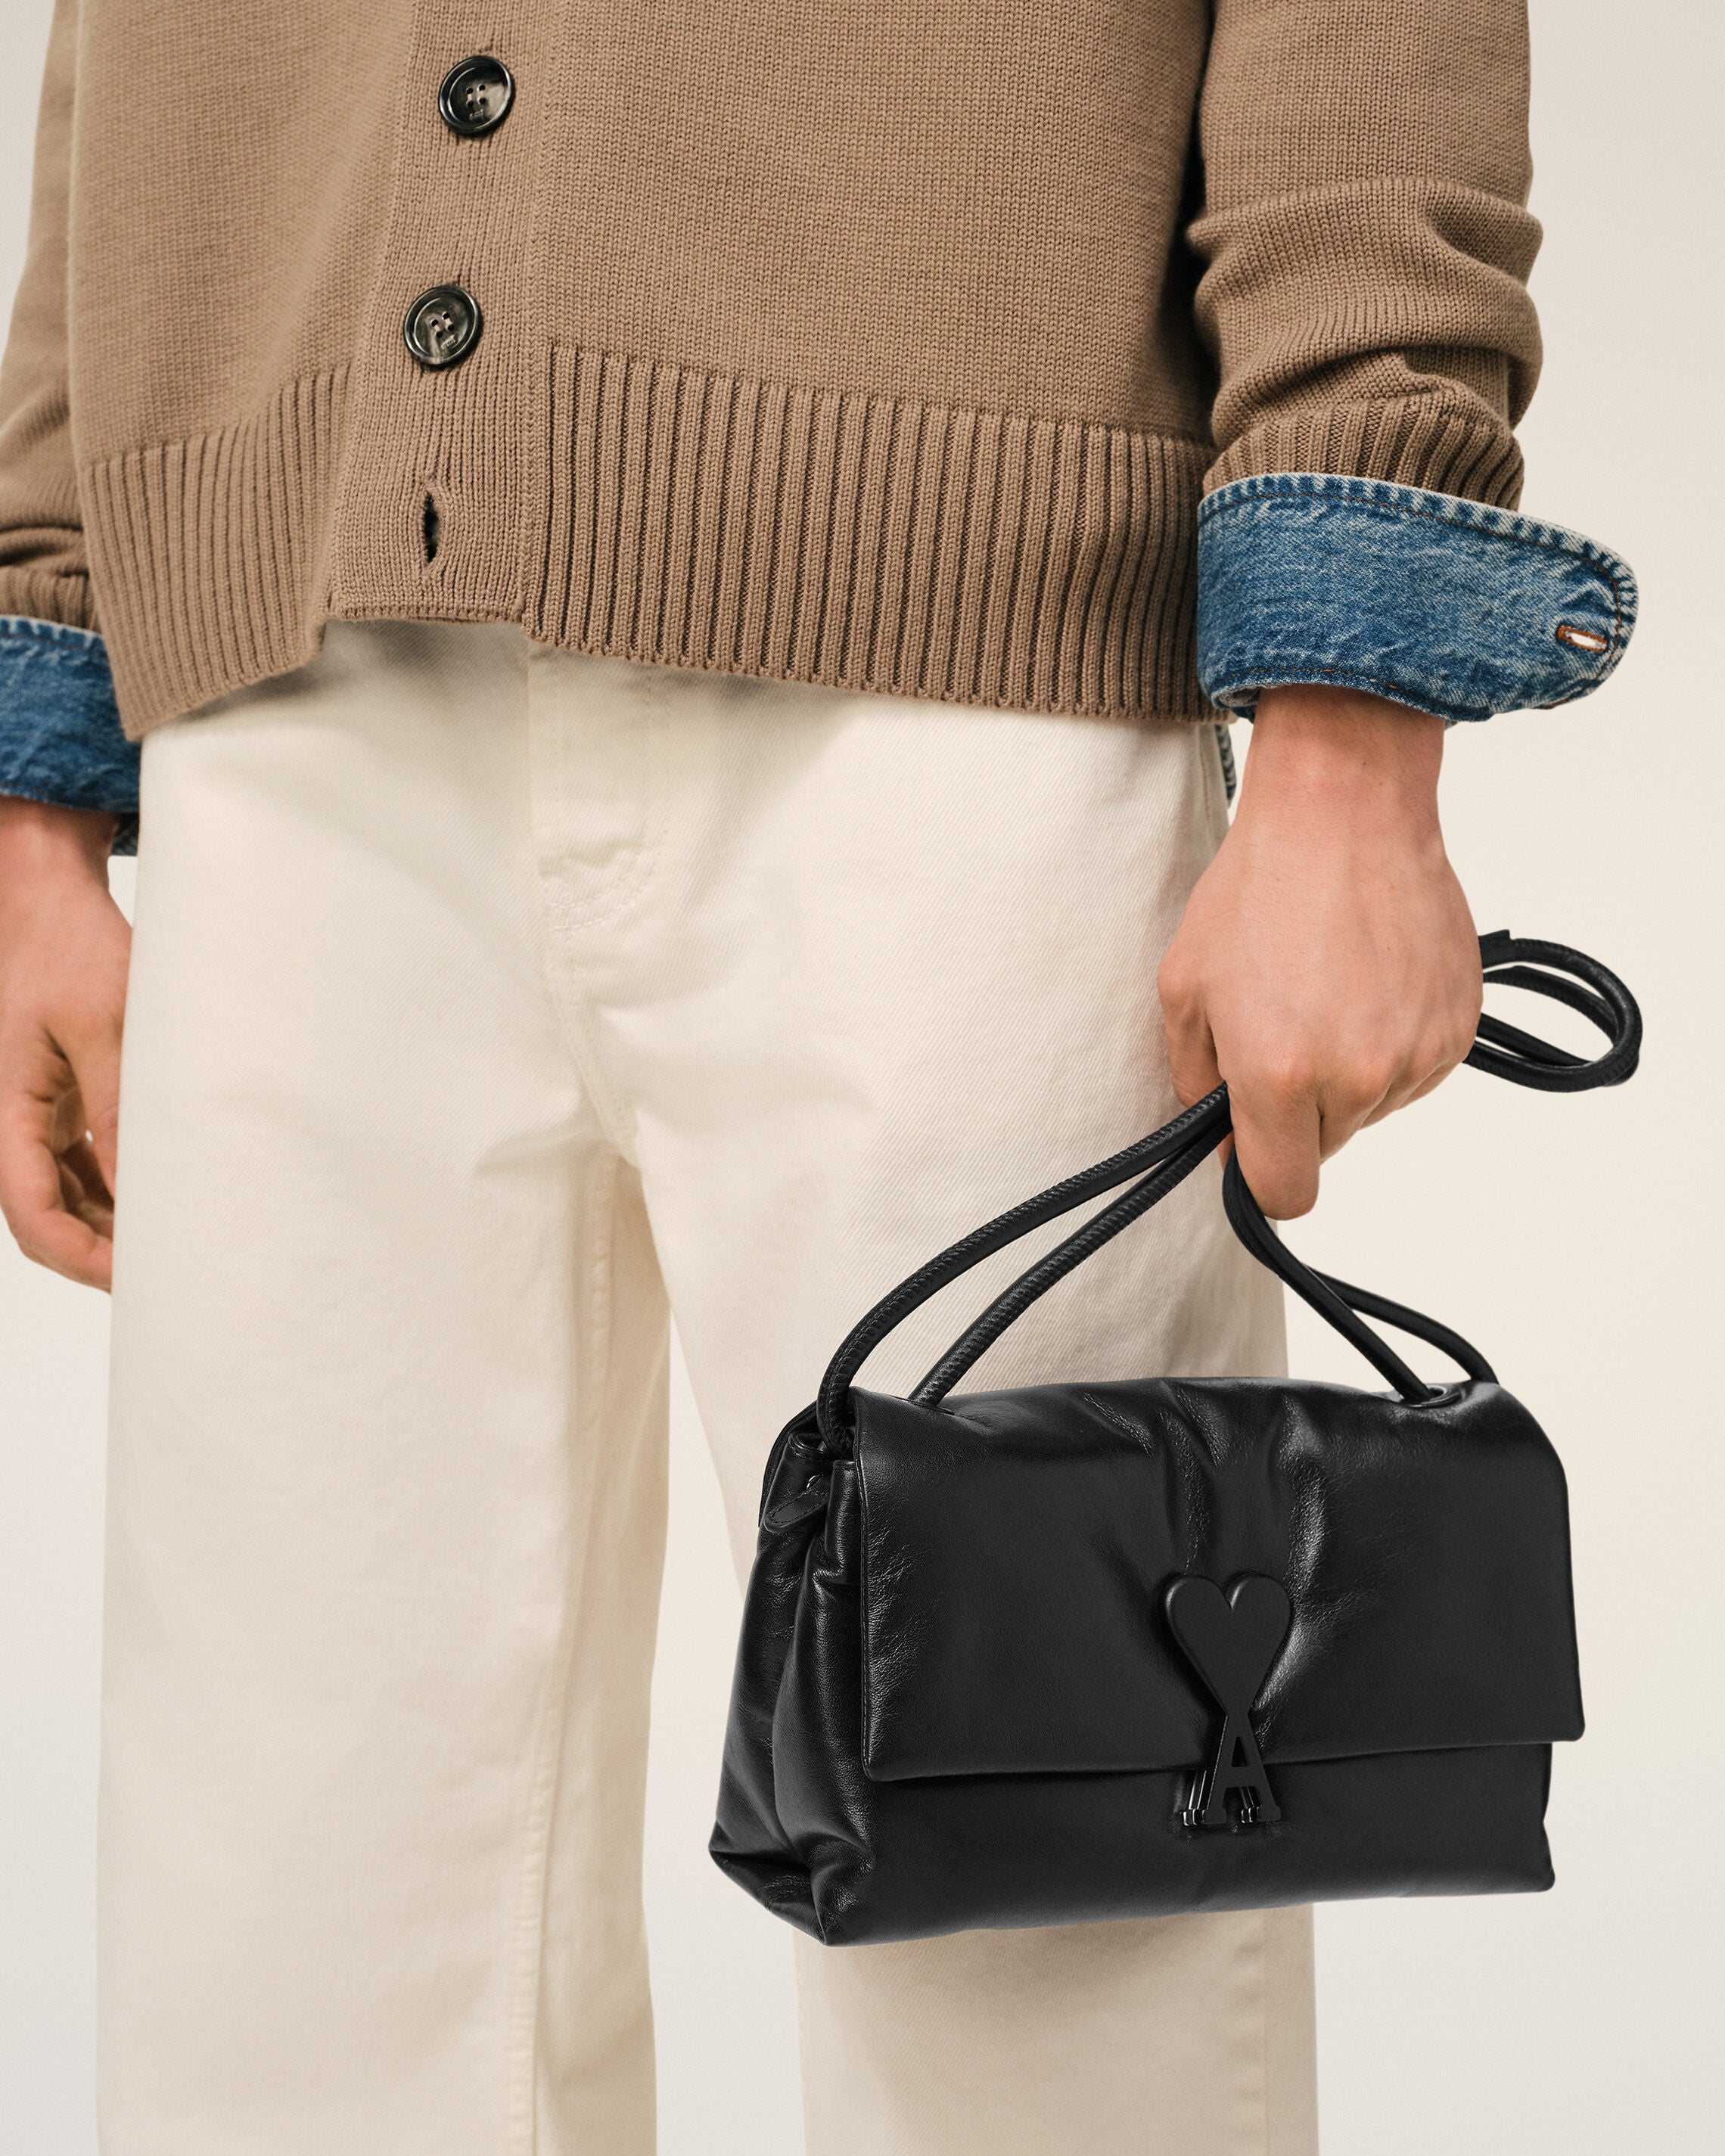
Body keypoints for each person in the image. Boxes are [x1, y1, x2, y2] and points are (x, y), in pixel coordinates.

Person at [0, 4, 1633, 2151]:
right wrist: (41, 726)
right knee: (282, 1952)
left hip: (966, 659)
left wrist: (1353, 707)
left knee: (1047, 1926)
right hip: (283, 684)